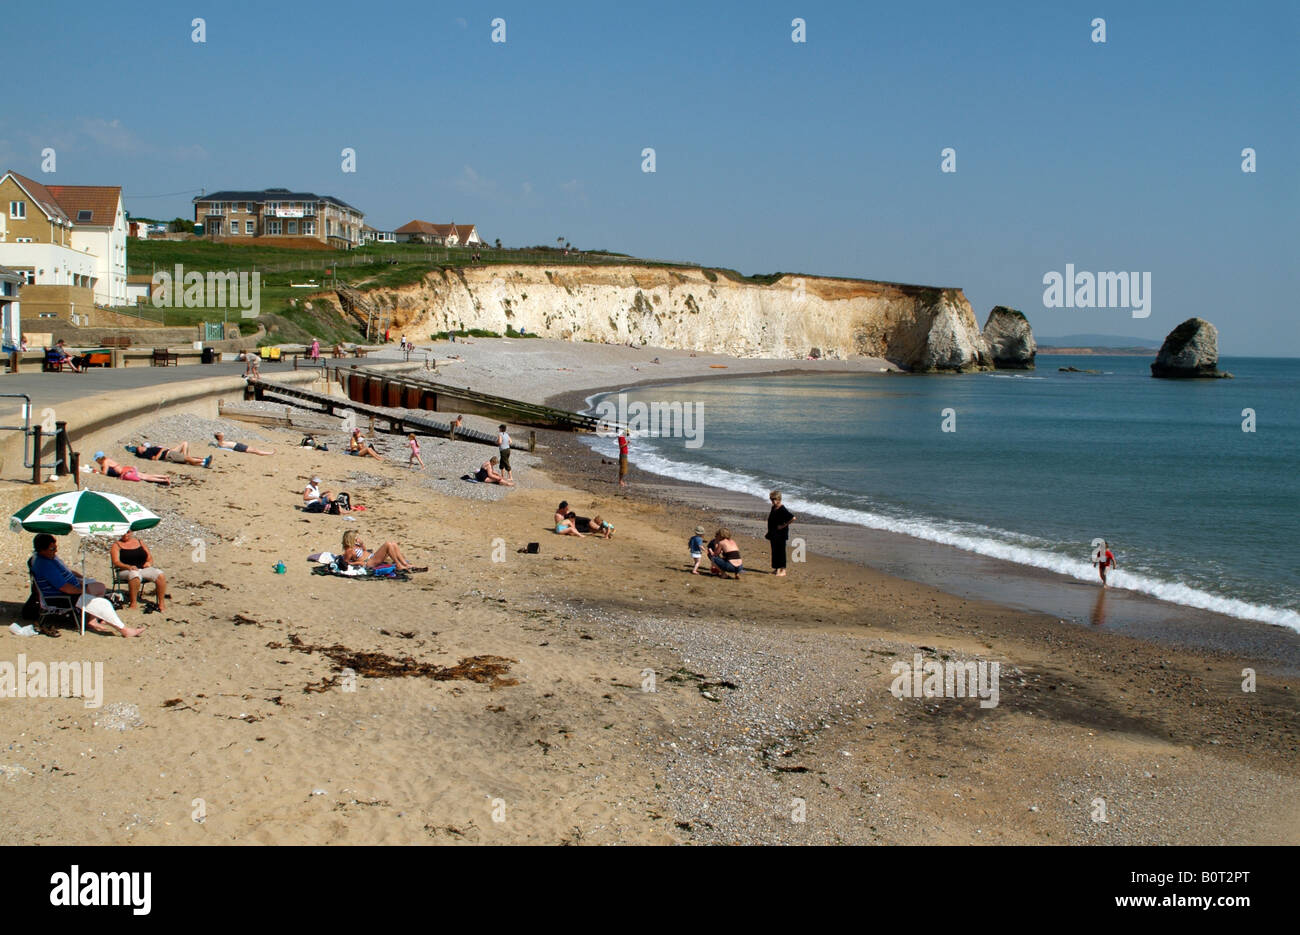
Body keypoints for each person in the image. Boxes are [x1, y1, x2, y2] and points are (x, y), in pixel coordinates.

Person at [30, 534, 143, 637]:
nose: (55, 551)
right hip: (61, 598)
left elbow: (65, 575)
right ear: (42, 550)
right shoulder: (45, 565)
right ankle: (125, 630)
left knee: (99, 588)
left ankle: (93, 620)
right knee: (103, 603)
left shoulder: (45, 558)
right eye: (52, 549)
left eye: (55, 547)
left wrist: (80, 580)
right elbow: (66, 588)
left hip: (66, 591)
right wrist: (83, 590)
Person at [110, 530, 167, 611]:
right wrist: (128, 566)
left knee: (160, 574)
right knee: (134, 575)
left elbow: (149, 557)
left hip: (143, 568)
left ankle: (161, 603)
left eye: (128, 532)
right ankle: (133, 602)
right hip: (124, 570)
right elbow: (116, 562)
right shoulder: (116, 545)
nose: (125, 534)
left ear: (131, 532)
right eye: (123, 532)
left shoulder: (140, 542)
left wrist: (149, 563)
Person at [340, 530, 417, 572]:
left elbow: (364, 551)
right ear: (350, 539)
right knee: (387, 544)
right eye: (355, 537)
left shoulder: (355, 545)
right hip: (368, 562)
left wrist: (362, 544)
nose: (357, 538)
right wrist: (357, 563)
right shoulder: (349, 550)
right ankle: (398, 565)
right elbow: (346, 563)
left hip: (371, 557)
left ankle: (405, 564)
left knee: (393, 544)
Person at [766, 490, 797, 576]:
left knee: (781, 552)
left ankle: (783, 570)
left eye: (774, 500)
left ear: (779, 499)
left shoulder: (782, 509)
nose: (773, 502)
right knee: (774, 551)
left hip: (781, 534)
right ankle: (776, 569)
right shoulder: (773, 507)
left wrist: (783, 526)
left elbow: (793, 518)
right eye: (772, 500)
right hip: (773, 533)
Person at [93, 452, 169, 485]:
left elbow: (105, 473)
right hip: (127, 469)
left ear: (99, 458)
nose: (97, 461)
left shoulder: (105, 462)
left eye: (97, 459)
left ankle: (163, 480)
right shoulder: (108, 459)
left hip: (126, 473)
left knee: (145, 477)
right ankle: (164, 477)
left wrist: (97, 472)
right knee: (146, 475)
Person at [127, 441, 211, 468]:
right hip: (168, 455)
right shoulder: (147, 453)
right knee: (187, 458)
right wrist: (162, 450)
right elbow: (156, 459)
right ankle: (204, 461)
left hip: (169, 451)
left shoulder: (148, 449)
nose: (141, 447)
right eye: (140, 448)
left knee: (185, 443)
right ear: (141, 452)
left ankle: (189, 459)